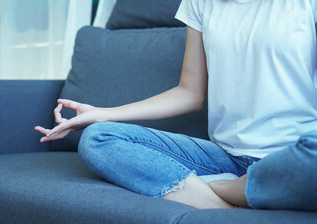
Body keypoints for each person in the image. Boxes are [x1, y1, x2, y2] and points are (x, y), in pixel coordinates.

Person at [35, 0, 317, 210]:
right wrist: (101, 114)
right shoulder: (201, 2)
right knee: (99, 137)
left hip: (296, 156)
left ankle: (221, 189)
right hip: (227, 156)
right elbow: (189, 93)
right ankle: (228, 209)